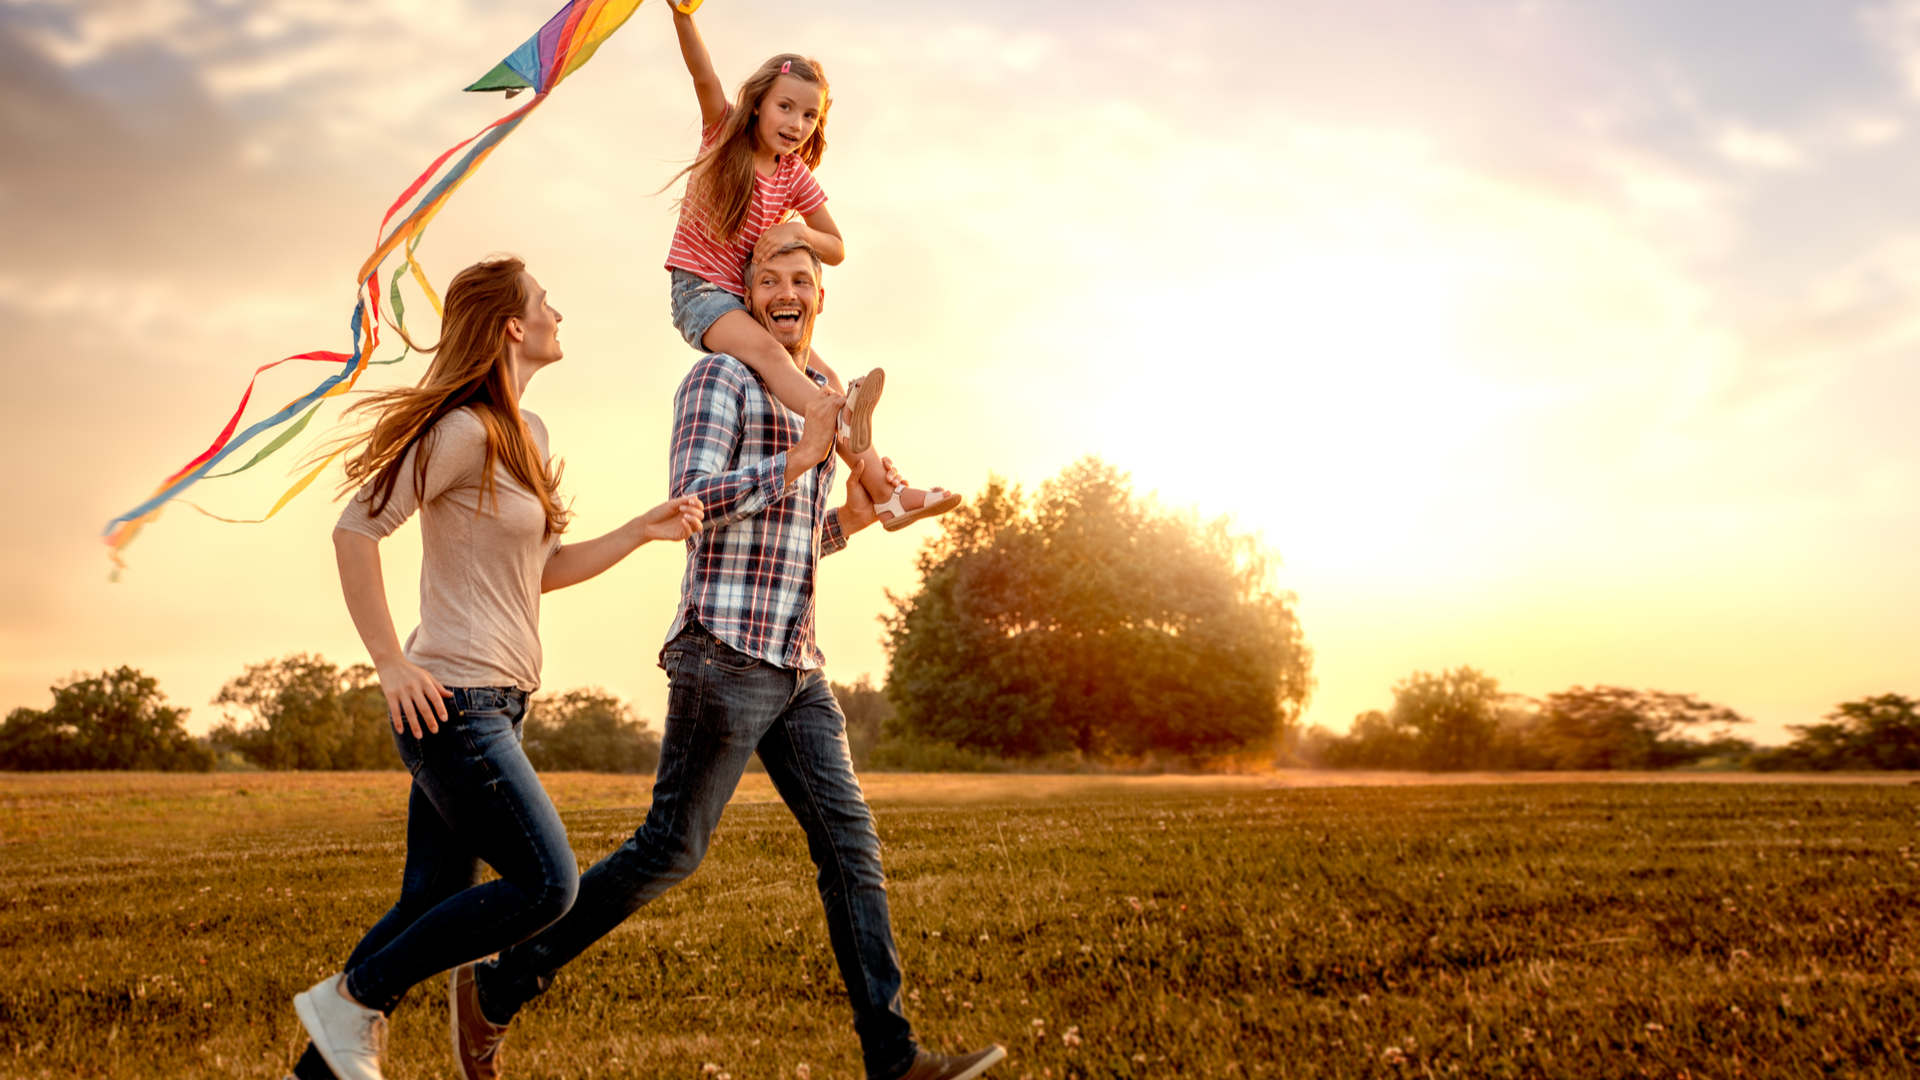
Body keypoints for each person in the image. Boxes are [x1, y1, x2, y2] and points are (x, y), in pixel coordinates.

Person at [452, 240, 1004, 1080]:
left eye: (802, 283)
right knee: (671, 847)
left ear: (820, 301)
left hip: (797, 659)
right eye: (769, 282)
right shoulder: (719, 382)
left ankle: (894, 1062)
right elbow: (693, 501)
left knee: (850, 845)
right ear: (744, 300)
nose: (788, 293)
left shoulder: (816, 396)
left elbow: (796, 543)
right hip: (724, 653)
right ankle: (502, 983)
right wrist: (800, 458)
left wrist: (851, 519)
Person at [287, 255, 705, 1080]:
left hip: (501, 704)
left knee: (430, 903)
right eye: (547, 301)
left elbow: (539, 570)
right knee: (549, 886)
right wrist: (389, 662)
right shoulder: (460, 430)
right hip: (453, 704)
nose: (560, 312)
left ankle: (318, 1061)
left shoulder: (527, 434)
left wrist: (637, 531)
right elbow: (356, 529)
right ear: (515, 325)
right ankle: (352, 997)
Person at [660, 2, 961, 532]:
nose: (796, 124)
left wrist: (799, 230)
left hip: (743, 296)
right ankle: (839, 415)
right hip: (702, 293)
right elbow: (701, 73)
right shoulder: (724, 134)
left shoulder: (792, 173)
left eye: (809, 116)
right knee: (778, 360)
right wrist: (684, 17)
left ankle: (887, 496)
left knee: (823, 375)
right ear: (758, 105)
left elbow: (837, 246)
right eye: (785, 108)